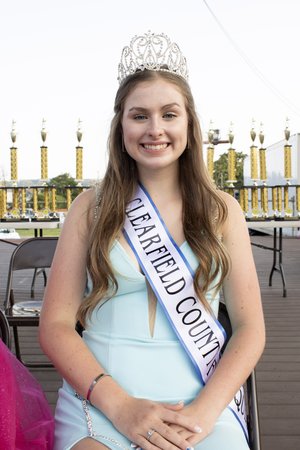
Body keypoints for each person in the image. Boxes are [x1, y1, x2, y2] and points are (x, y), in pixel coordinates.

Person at [39, 31, 265, 450]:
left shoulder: (223, 211)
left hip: (200, 405)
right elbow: (54, 326)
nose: (155, 129)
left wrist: (203, 414)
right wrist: (121, 406)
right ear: (121, 124)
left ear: (189, 123)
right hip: (102, 403)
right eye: (139, 115)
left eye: (169, 114)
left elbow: (250, 328)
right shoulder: (90, 208)